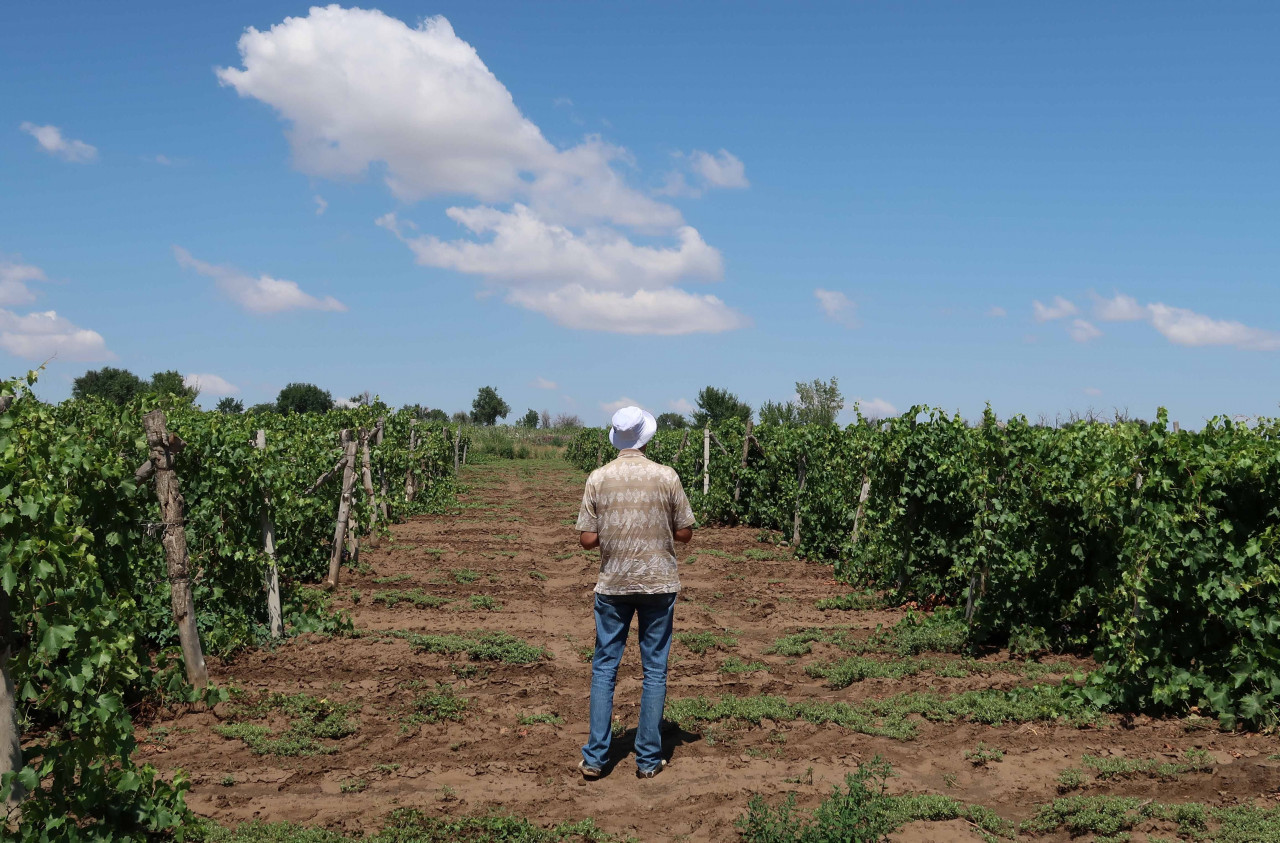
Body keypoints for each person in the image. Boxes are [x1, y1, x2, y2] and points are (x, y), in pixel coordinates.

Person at [575, 405, 695, 780]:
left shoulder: (598, 478)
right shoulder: (666, 476)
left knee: (604, 668)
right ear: (645, 436)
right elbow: (685, 532)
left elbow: (587, 539)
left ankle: (595, 757)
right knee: (655, 670)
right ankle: (647, 760)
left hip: (613, 585)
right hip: (658, 584)